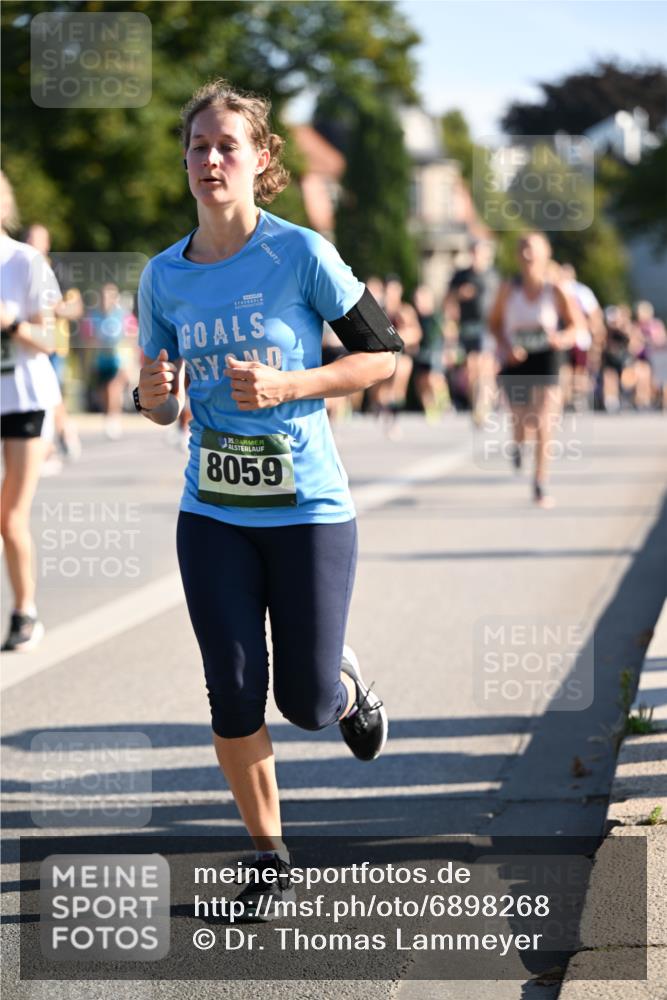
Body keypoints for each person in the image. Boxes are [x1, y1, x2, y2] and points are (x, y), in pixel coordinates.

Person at [136, 79, 398, 918]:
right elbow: (162, 407)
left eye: (227, 147)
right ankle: (268, 855)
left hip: (308, 509)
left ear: (259, 162)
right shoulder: (161, 277)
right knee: (233, 688)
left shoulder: (301, 255)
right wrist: (152, 392)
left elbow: (383, 357)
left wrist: (291, 382)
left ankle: (346, 690)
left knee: (306, 704)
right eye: (198, 148)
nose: (211, 160)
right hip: (211, 510)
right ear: (184, 162)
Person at [0, 173, 62, 651]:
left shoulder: (25, 262)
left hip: (22, 402)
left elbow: (53, 341)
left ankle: (25, 612)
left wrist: (12, 323)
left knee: (10, 517)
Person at [488, 231, 580, 508]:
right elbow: (493, 324)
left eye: (533, 249)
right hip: (516, 358)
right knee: (521, 421)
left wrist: (560, 339)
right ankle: (517, 446)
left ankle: (540, 482)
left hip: (547, 356)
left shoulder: (556, 289)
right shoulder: (508, 288)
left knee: (543, 421)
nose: (528, 255)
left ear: (545, 254)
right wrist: (505, 346)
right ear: (518, 256)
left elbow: (578, 327)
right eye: (524, 250)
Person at [445, 239, 499, 424]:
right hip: (467, 325)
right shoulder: (461, 276)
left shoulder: (493, 275)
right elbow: (447, 301)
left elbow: (501, 301)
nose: (477, 257)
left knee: (485, 364)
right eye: (474, 253)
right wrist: (459, 295)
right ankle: (477, 403)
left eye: (480, 253)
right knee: (471, 367)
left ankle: (483, 405)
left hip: (488, 326)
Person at [84, 281, 135, 438]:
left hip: (119, 359)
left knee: (113, 388)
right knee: (103, 391)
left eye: (110, 296)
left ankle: (114, 418)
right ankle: (108, 416)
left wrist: (130, 360)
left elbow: (132, 336)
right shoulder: (93, 316)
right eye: (104, 296)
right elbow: (88, 338)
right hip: (101, 359)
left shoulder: (123, 315)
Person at [412, 284, 448, 422]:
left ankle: (444, 403)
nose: (419, 302)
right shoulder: (416, 317)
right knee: (421, 381)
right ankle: (430, 408)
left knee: (433, 378)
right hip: (421, 352)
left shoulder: (437, 317)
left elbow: (446, 334)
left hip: (435, 352)